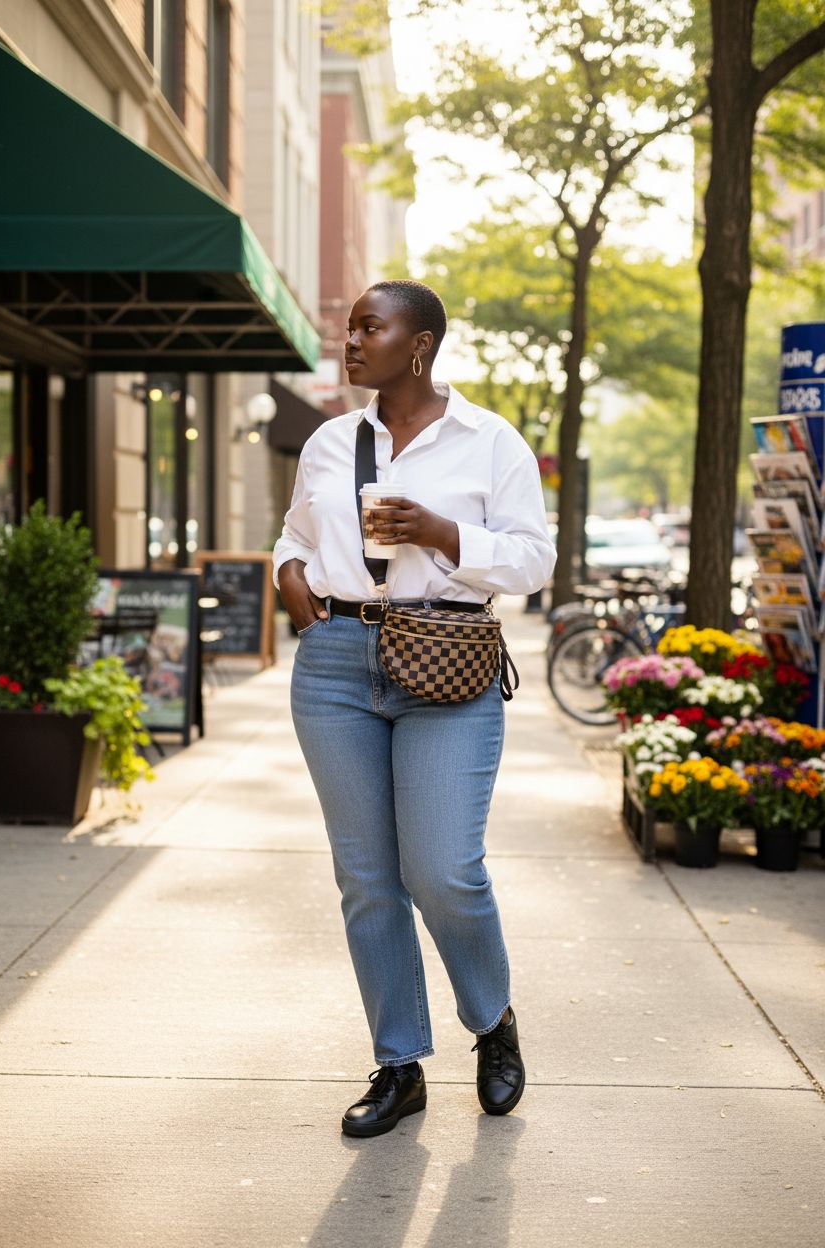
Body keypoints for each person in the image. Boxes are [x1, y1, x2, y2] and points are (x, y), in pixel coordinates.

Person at [273, 279, 556, 1138]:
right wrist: (288, 573)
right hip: (335, 664)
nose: (352, 341)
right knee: (367, 879)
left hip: (446, 663)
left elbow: (533, 560)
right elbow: (298, 533)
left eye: (371, 327)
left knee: (443, 869)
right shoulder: (330, 441)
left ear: (420, 344)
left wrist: (439, 533)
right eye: (350, 328)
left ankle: (492, 1020)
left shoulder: (490, 441)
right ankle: (399, 1065)